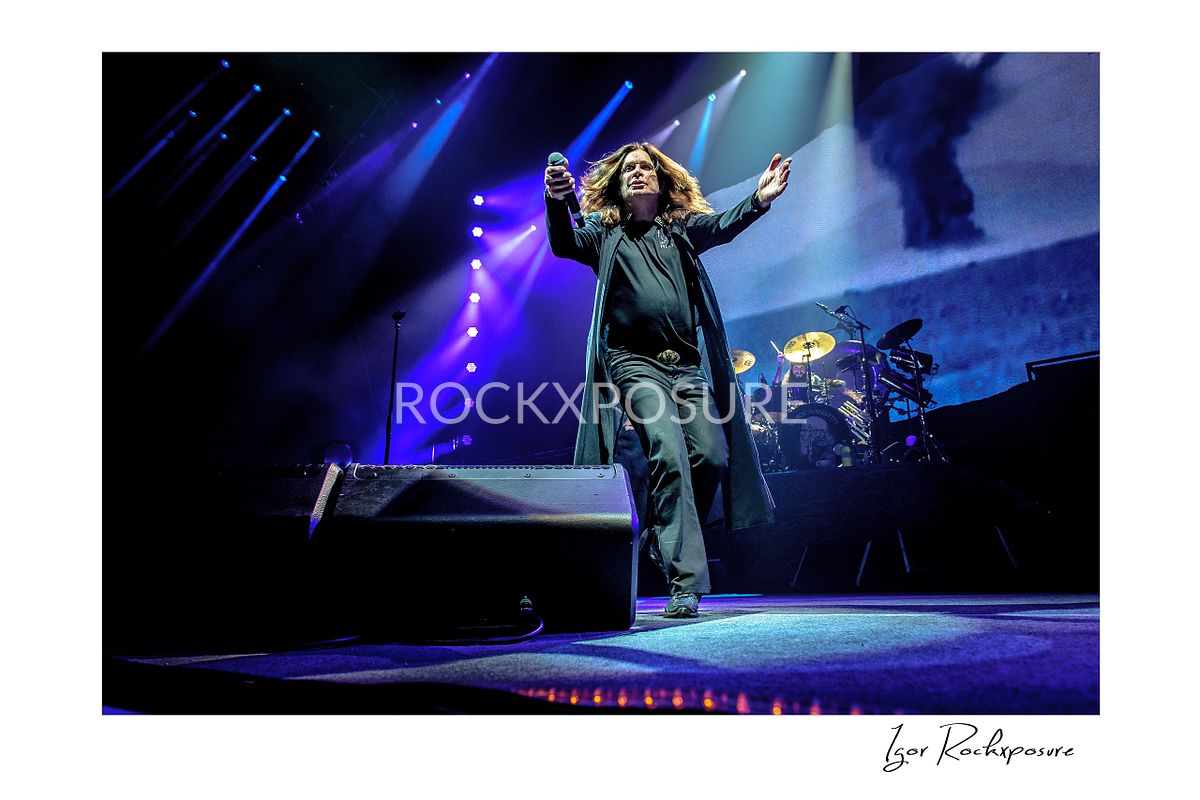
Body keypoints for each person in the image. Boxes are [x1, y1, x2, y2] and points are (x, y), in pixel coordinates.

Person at [544, 142, 791, 617]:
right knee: (668, 452)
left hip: (684, 365)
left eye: (646, 167)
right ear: (618, 182)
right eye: (629, 168)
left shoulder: (680, 229)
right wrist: (557, 200)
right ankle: (686, 582)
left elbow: (721, 226)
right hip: (632, 363)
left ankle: (661, 530)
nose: (637, 173)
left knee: (712, 455)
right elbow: (564, 242)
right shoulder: (604, 231)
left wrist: (758, 201)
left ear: (661, 180)